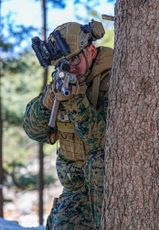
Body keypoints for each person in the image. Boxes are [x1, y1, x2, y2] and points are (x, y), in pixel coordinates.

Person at [23, 20, 113, 230]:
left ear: (90, 50)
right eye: (63, 63)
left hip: (108, 187)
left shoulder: (113, 79)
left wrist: (74, 101)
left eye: (74, 59)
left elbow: (102, 140)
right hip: (76, 188)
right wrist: (48, 100)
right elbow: (34, 131)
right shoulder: (64, 80)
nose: (70, 67)